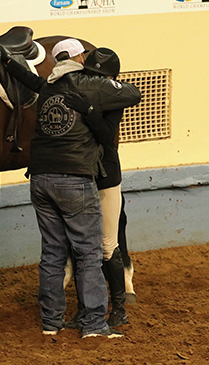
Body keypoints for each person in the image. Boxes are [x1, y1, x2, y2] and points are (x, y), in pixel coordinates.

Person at [0, 38, 140, 338]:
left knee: (52, 253)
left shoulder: (48, 86)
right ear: (80, 58)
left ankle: (51, 322)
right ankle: (95, 324)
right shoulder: (90, 85)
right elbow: (133, 94)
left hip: (40, 178)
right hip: (75, 178)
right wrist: (95, 103)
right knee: (89, 254)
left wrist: (6, 61)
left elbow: (29, 79)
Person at [62, 47, 136, 329]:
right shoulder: (81, 90)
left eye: (98, 76)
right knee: (82, 247)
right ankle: (84, 309)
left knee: (107, 245)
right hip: (82, 173)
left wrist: (90, 111)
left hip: (106, 175)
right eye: (90, 75)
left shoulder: (111, 99)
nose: (93, 81)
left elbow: (106, 136)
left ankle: (119, 308)